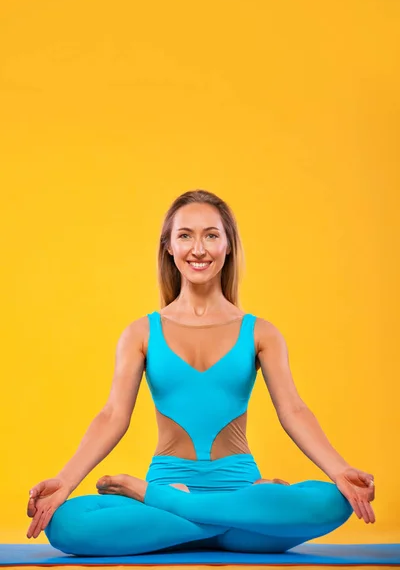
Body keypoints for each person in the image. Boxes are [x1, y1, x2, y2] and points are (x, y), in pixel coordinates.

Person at [26, 189, 375, 556]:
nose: (198, 249)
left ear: (228, 246)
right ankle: (215, 519)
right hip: (240, 512)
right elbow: (113, 415)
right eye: (185, 236)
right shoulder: (141, 333)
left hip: (222, 492)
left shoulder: (260, 332)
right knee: (66, 524)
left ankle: (161, 503)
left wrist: (340, 471)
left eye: (211, 235)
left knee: (333, 499)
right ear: (169, 247)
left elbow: (294, 411)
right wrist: (64, 482)